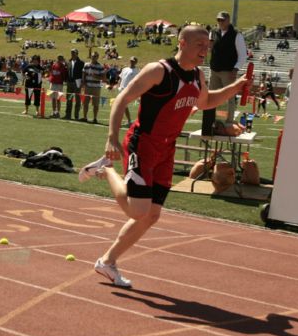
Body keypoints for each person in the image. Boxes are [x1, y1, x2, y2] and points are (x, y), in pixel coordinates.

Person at [78, 25, 247, 288]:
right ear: (182, 43)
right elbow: (122, 98)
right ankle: (107, 169)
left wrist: (235, 87)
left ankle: (107, 262)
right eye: (199, 44)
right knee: (138, 210)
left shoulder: (197, 76)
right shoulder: (159, 71)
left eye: (208, 44)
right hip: (142, 144)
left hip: (166, 149)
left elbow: (205, 102)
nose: (206, 49)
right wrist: (111, 136)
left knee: (152, 215)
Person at [202, 11, 247, 131]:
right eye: (218, 20)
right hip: (214, 70)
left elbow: (243, 55)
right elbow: (211, 48)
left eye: (222, 20)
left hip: (228, 71)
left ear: (228, 20)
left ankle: (229, 122)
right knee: (211, 95)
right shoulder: (214, 32)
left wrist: (236, 69)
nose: (220, 22)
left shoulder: (237, 35)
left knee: (229, 96)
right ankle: (210, 121)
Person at [82, 51, 105, 124]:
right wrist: (83, 83)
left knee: (95, 104)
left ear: (97, 57)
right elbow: (84, 74)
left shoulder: (100, 66)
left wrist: (96, 76)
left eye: (95, 56)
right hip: (88, 86)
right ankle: (85, 117)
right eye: (92, 56)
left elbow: (103, 78)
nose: (93, 57)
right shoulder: (86, 65)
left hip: (96, 88)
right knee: (85, 103)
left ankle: (95, 118)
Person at [117, 56, 139, 126]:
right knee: (123, 106)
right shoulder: (125, 69)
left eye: (133, 61)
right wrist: (118, 85)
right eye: (131, 60)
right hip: (121, 89)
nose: (132, 62)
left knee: (121, 105)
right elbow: (120, 78)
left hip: (128, 90)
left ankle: (119, 121)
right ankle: (129, 121)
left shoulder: (137, 70)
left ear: (136, 62)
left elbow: (137, 81)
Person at [64, 48, 85, 120]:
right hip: (70, 83)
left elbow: (83, 74)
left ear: (77, 54)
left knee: (77, 100)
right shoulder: (69, 62)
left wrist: (82, 82)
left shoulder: (81, 63)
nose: (72, 54)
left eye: (74, 53)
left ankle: (76, 116)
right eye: (71, 53)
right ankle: (68, 115)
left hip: (77, 83)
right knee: (69, 99)